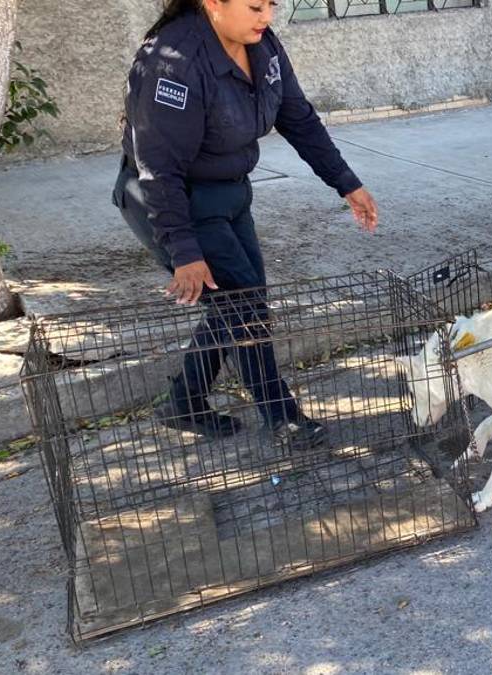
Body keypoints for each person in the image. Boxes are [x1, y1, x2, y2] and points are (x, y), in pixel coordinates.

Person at [113, 0, 379, 449]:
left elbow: (299, 118)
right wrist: (185, 251)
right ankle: (282, 417)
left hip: (230, 193)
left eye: (272, 4)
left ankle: (184, 401)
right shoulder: (172, 62)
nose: (267, 16)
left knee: (238, 303)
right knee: (245, 309)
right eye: (255, 5)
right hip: (175, 202)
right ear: (212, 3)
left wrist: (346, 183)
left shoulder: (262, 47)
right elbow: (158, 169)